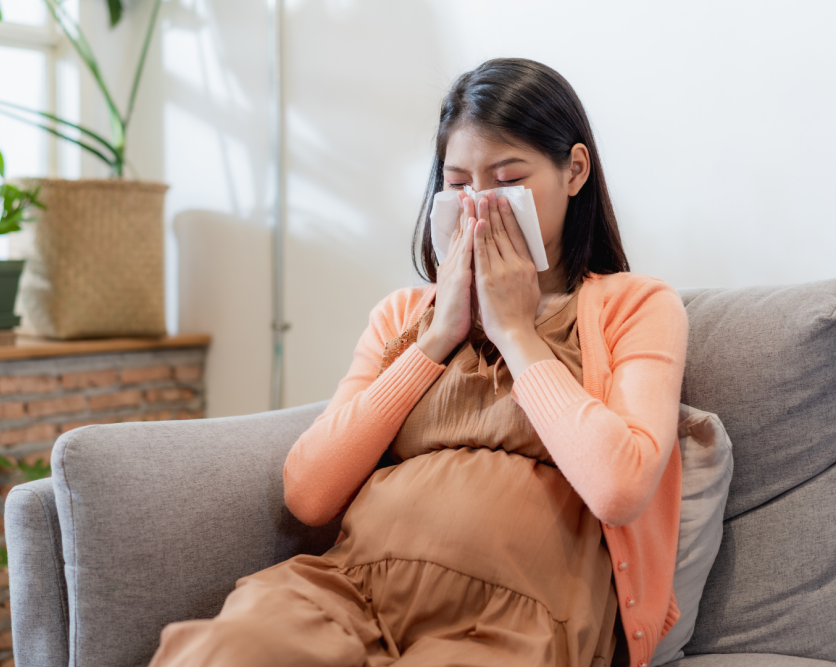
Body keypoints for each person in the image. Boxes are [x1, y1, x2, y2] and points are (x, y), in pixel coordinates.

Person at [149, 57, 688, 667]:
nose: (481, 206)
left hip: (513, 625)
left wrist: (515, 331)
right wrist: (436, 336)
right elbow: (309, 492)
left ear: (574, 170)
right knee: (226, 652)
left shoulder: (635, 305)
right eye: (459, 186)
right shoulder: (402, 314)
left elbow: (621, 487)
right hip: (347, 592)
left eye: (508, 179)